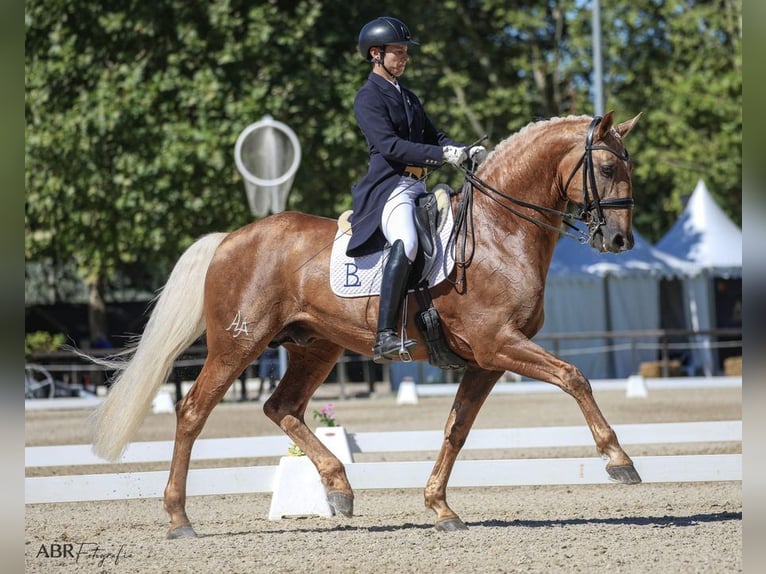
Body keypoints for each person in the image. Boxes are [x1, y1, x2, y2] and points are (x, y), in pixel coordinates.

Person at [347, 16, 487, 364]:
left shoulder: (407, 97)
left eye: (405, 51)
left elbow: (435, 138)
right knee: (406, 242)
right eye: (398, 51)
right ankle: (385, 335)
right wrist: (442, 155)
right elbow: (391, 146)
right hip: (389, 189)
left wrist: (465, 150)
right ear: (375, 54)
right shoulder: (367, 98)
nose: (404, 57)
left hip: (418, 186)